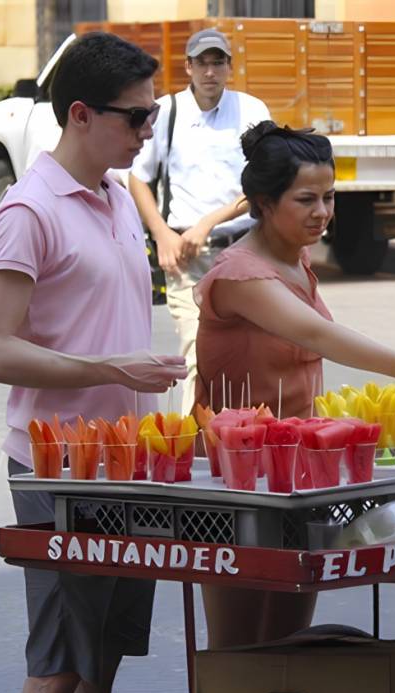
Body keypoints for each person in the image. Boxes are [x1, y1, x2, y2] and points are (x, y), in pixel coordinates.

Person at [0, 33, 187, 693]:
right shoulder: (28, 211)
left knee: (103, 659)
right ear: (81, 115)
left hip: (128, 460)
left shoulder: (119, 195)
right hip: (57, 467)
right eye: (136, 117)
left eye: (154, 114)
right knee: (59, 665)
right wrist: (108, 366)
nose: (148, 130)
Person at [192, 120, 395, 648]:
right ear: (263, 202)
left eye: (330, 197)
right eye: (306, 199)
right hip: (238, 482)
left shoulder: (295, 260)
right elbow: (319, 334)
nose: (322, 212)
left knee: (291, 640)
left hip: (299, 473)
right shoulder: (240, 275)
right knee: (238, 649)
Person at [129, 28, 272, 415]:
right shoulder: (167, 112)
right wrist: (161, 235)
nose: (211, 72)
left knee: (251, 355)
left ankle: (244, 444)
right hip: (186, 258)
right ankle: (194, 452)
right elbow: (138, 178)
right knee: (200, 356)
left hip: (245, 250)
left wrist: (208, 222)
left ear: (230, 66)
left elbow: (264, 182)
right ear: (188, 67)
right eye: (203, 63)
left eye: (218, 62)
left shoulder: (251, 111)